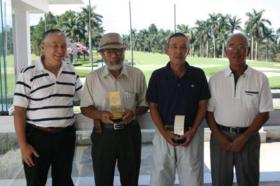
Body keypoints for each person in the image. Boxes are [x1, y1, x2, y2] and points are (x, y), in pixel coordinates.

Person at [13, 29, 82, 186]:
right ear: (42, 47)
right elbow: (19, 111)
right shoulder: (28, 73)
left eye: (63, 46)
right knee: (35, 182)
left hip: (65, 136)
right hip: (37, 137)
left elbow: (83, 99)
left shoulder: (71, 72)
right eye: (55, 45)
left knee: (64, 181)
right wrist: (23, 146)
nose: (60, 50)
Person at [80, 32, 148, 186]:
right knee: (103, 179)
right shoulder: (93, 78)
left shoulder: (137, 75)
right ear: (102, 54)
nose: (114, 55)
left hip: (129, 133)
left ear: (124, 52)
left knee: (130, 179)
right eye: (109, 51)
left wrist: (134, 112)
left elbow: (144, 104)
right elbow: (85, 107)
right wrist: (99, 115)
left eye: (118, 51)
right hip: (103, 134)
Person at [206, 32, 273, 186]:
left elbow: (264, 114)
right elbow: (209, 113)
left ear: (248, 51)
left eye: (242, 46)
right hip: (220, 138)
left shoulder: (260, 78)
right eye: (231, 46)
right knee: (220, 181)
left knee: (248, 181)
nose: (236, 50)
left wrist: (244, 137)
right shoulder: (215, 79)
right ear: (225, 51)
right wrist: (220, 137)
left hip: (248, 138)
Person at [146, 32, 210, 186]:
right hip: (164, 134)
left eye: (183, 47)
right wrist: (164, 134)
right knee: (160, 180)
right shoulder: (157, 76)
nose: (178, 51)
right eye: (174, 47)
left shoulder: (198, 74)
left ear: (188, 51)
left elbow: (203, 105)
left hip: (191, 134)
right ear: (166, 50)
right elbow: (152, 107)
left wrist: (193, 131)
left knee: (193, 180)